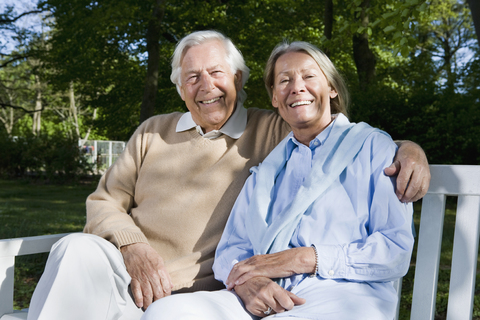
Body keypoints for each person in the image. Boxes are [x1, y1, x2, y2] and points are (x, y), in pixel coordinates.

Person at [27, 31, 428, 320]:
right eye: (192, 77)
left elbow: (333, 131)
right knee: (74, 249)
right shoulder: (152, 131)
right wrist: (133, 248)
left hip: (190, 292)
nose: (206, 87)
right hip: (127, 274)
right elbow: (102, 203)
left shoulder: (271, 130)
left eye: (217, 73)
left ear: (238, 79)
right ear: (180, 89)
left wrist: (408, 149)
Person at [141, 41, 415, 320]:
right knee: (166, 311)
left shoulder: (372, 149)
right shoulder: (268, 168)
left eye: (309, 76)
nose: (297, 87)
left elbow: (395, 249)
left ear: (332, 89)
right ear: (274, 97)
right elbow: (231, 250)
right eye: (284, 80)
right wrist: (247, 282)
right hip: (265, 295)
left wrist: (303, 258)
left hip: (344, 295)